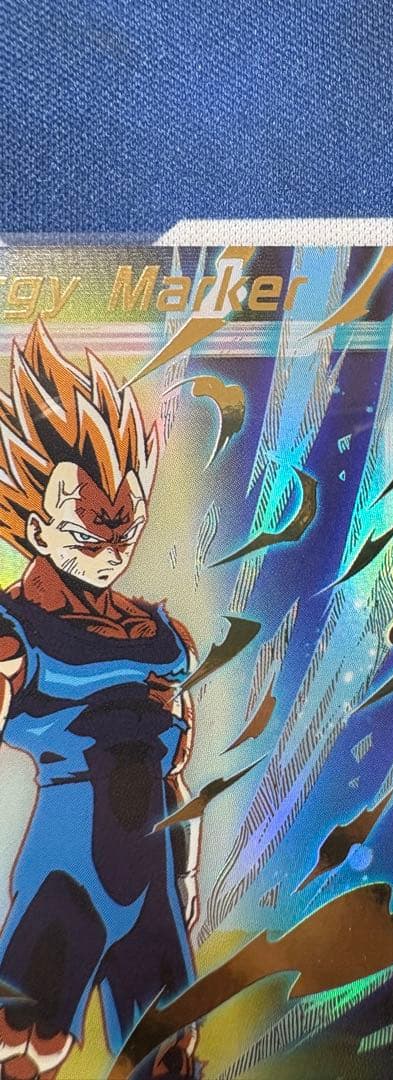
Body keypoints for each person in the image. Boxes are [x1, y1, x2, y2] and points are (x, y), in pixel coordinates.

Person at [0, 321, 199, 1079]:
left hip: (154, 885)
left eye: (127, 530)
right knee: (25, 1050)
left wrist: (184, 877)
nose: (113, 551)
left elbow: (175, 770)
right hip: (66, 878)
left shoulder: (160, 632)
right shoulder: (15, 629)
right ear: (37, 525)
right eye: (89, 537)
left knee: (169, 1059)